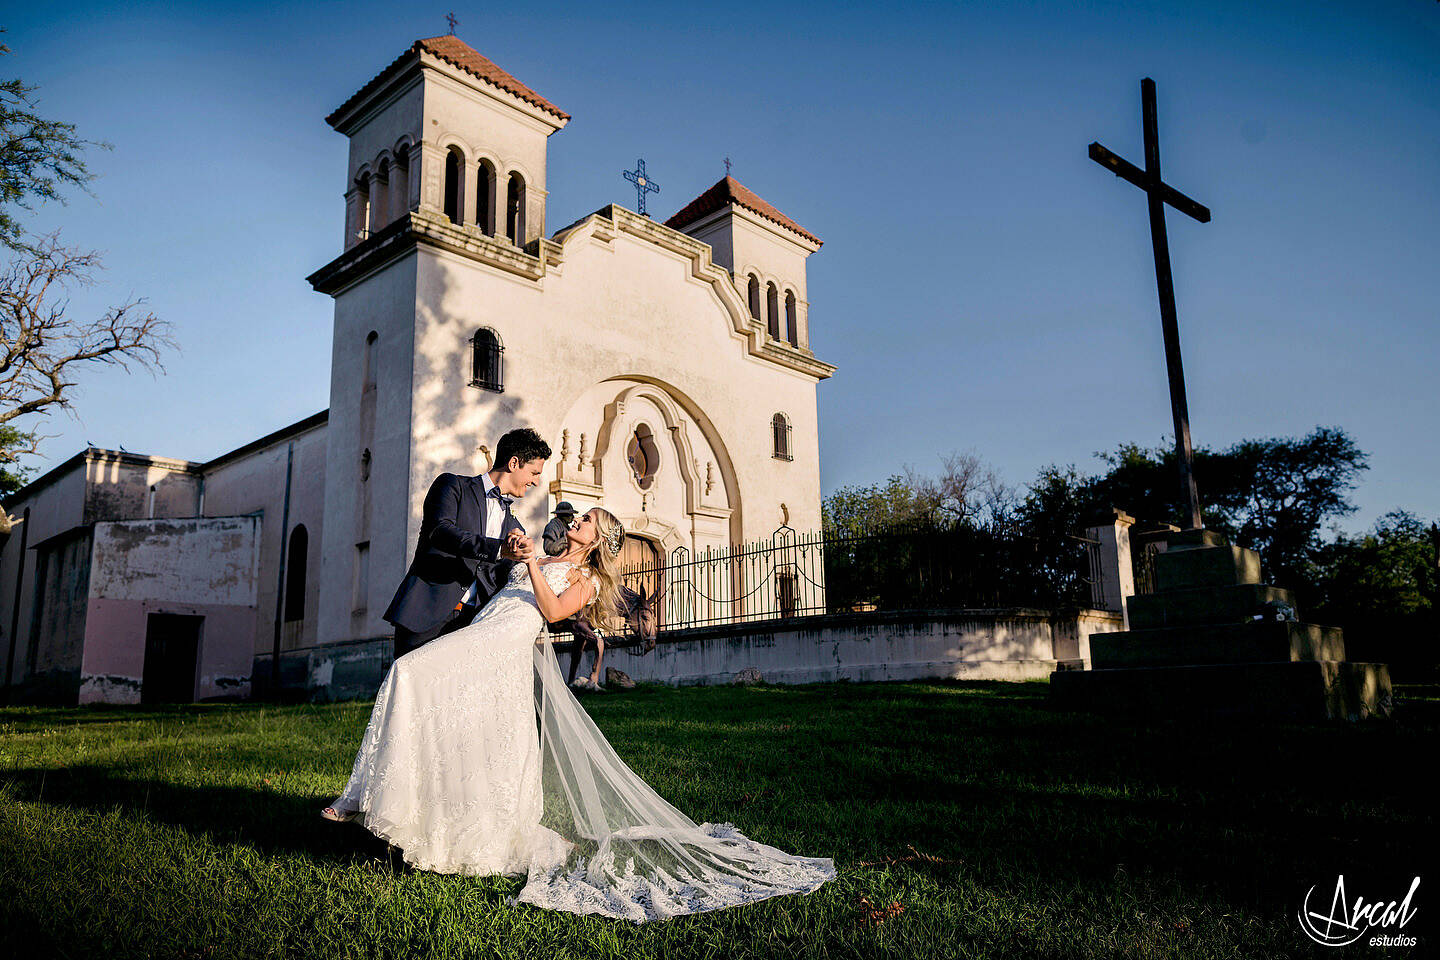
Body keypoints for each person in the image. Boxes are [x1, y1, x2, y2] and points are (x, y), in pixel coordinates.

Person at [319, 508, 835, 922]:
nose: (575, 522)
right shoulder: (544, 557)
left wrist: (530, 571)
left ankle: (362, 796)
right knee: (461, 728)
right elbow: (503, 591)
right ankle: (413, 814)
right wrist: (518, 557)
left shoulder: (585, 576)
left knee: (410, 674)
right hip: (485, 635)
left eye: (586, 520)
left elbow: (552, 612)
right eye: (579, 518)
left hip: (505, 643)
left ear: (595, 540)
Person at [381, 428, 550, 659]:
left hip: (472, 625)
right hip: (426, 614)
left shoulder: (514, 525)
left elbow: (503, 576)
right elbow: (440, 532)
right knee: (410, 692)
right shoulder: (452, 486)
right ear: (513, 463)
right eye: (534, 472)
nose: (536, 481)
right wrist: (498, 549)